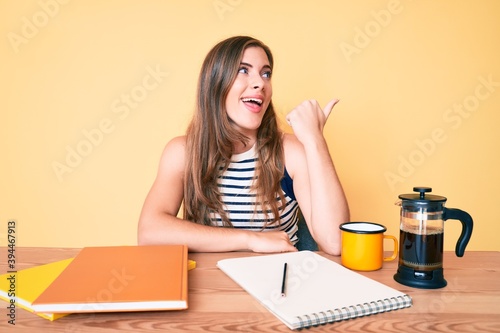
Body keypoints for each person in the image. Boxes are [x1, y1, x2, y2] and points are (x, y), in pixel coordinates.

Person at [137, 36, 349, 255]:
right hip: (209, 283)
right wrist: (251, 240)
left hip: (279, 282)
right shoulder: (183, 152)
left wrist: (315, 141)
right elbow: (149, 232)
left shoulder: (290, 151)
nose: (260, 83)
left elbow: (335, 242)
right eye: (243, 70)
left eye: (266, 73)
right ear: (216, 83)